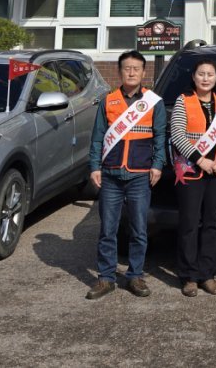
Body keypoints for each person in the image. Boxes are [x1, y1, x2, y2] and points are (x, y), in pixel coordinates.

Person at [86, 50, 166, 300]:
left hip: (140, 175)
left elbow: (160, 137)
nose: (131, 72)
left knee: (139, 229)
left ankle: (135, 275)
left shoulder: (154, 102)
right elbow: (98, 137)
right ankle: (106, 277)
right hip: (110, 175)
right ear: (120, 71)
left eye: (136, 68)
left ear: (144, 72)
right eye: (127, 68)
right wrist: (94, 166)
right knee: (108, 230)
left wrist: (158, 165)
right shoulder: (108, 101)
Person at [169, 58, 216, 296]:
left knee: (211, 225)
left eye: (210, 74)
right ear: (194, 77)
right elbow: (177, 135)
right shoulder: (183, 101)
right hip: (192, 171)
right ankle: (189, 276)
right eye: (201, 74)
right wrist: (201, 160)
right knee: (189, 224)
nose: (206, 78)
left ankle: (207, 273)